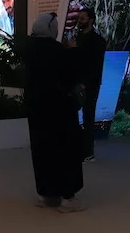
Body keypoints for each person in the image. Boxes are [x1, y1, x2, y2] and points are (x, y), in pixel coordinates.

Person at [23, 13, 85, 213]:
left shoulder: (30, 49)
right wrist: (73, 51)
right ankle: (68, 198)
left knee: (42, 151)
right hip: (59, 110)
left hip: (36, 109)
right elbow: (70, 77)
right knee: (65, 151)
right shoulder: (58, 51)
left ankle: (46, 194)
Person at [67, 7, 106, 163]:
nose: (79, 22)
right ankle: (77, 149)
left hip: (89, 84)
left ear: (91, 20)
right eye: (79, 18)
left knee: (88, 118)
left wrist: (85, 83)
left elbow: (95, 65)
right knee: (73, 116)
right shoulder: (77, 38)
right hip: (76, 82)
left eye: (83, 19)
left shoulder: (97, 41)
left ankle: (88, 153)